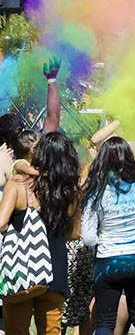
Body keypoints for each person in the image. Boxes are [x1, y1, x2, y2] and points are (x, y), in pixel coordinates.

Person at [81, 137, 135, 335]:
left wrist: (103, 245)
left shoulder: (95, 193)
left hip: (108, 262)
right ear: (129, 157)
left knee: (105, 323)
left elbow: (87, 237)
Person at [0, 131, 80, 335]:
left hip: (21, 269)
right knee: (51, 331)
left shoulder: (18, 184)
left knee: (16, 330)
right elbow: (74, 234)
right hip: (55, 271)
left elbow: (0, 223)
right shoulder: (70, 190)